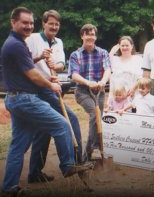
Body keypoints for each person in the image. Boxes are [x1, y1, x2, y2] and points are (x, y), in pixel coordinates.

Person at [1, 7, 90, 194]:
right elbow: (32, 75)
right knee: (62, 124)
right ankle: (68, 166)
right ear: (13, 22)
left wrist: (44, 65)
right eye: (24, 22)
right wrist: (51, 85)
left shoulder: (17, 43)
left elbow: (25, 69)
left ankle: (9, 187)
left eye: (30, 23)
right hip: (26, 98)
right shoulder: (17, 44)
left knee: (18, 145)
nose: (28, 26)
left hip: (15, 98)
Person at [25, 9, 83, 184]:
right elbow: (24, 61)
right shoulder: (32, 39)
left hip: (51, 87)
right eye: (51, 23)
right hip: (37, 87)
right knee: (70, 118)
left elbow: (60, 64)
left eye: (57, 24)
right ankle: (76, 161)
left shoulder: (59, 42)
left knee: (43, 131)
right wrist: (40, 57)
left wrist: (54, 66)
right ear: (43, 24)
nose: (54, 27)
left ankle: (34, 173)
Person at [69, 24, 111, 161]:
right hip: (83, 91)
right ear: (82, 36)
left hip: (99, 91)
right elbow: (74, 74)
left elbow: (108, 70)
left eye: (92, 34)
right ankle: (95, 148)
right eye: (87, 34)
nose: (90, 37)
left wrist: (103, 81)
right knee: (95, 114)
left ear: (96, 37)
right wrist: (88, 82)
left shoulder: (103, 52)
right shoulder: (75, 55)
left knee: (95, 121)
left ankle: (85, 160)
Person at [109, 36, 143, 102]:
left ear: (132, 46)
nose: (125, 48)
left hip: (133, 96)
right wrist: (112, 52)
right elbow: (107, 71)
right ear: (119, 47)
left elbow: (141, 77)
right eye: (122, 46)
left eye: (127, 45)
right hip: (117, 98)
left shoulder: (139, 59)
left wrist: (133, 89)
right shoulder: (114, 59)